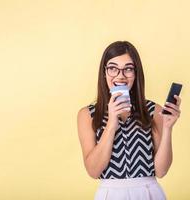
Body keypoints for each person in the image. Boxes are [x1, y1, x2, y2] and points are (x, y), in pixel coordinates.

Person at [77, 41, 182, 200]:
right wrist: (112, 123)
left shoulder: (154, 111)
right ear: (104, 72)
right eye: (113, 68)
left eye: (128, 69)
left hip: (149, 193)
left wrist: (168, 128)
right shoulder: (88, 114)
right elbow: (93, 171)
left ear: (136, 73)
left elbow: (161, 171)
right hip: (110, 194)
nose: (120, 75)